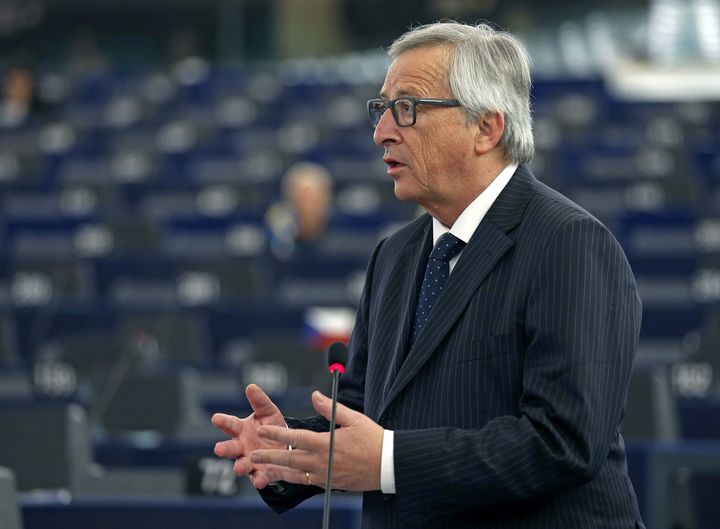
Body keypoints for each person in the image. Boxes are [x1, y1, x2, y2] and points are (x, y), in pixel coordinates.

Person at [212, 20, 645, 528]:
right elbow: (367, 417)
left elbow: (564, 440)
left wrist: (388, 462)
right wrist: (288, 448)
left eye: (407, 109)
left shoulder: (570, 243)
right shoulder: (393, 256)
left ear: (486, 127)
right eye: (381, 109)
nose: (381, 132)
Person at [264, 162, 334, 260]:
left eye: (314, 200)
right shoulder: (278, 240)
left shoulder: (342, 237)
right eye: (301, 200)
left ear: (327, 200)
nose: (307, 207)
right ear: (288, 202)